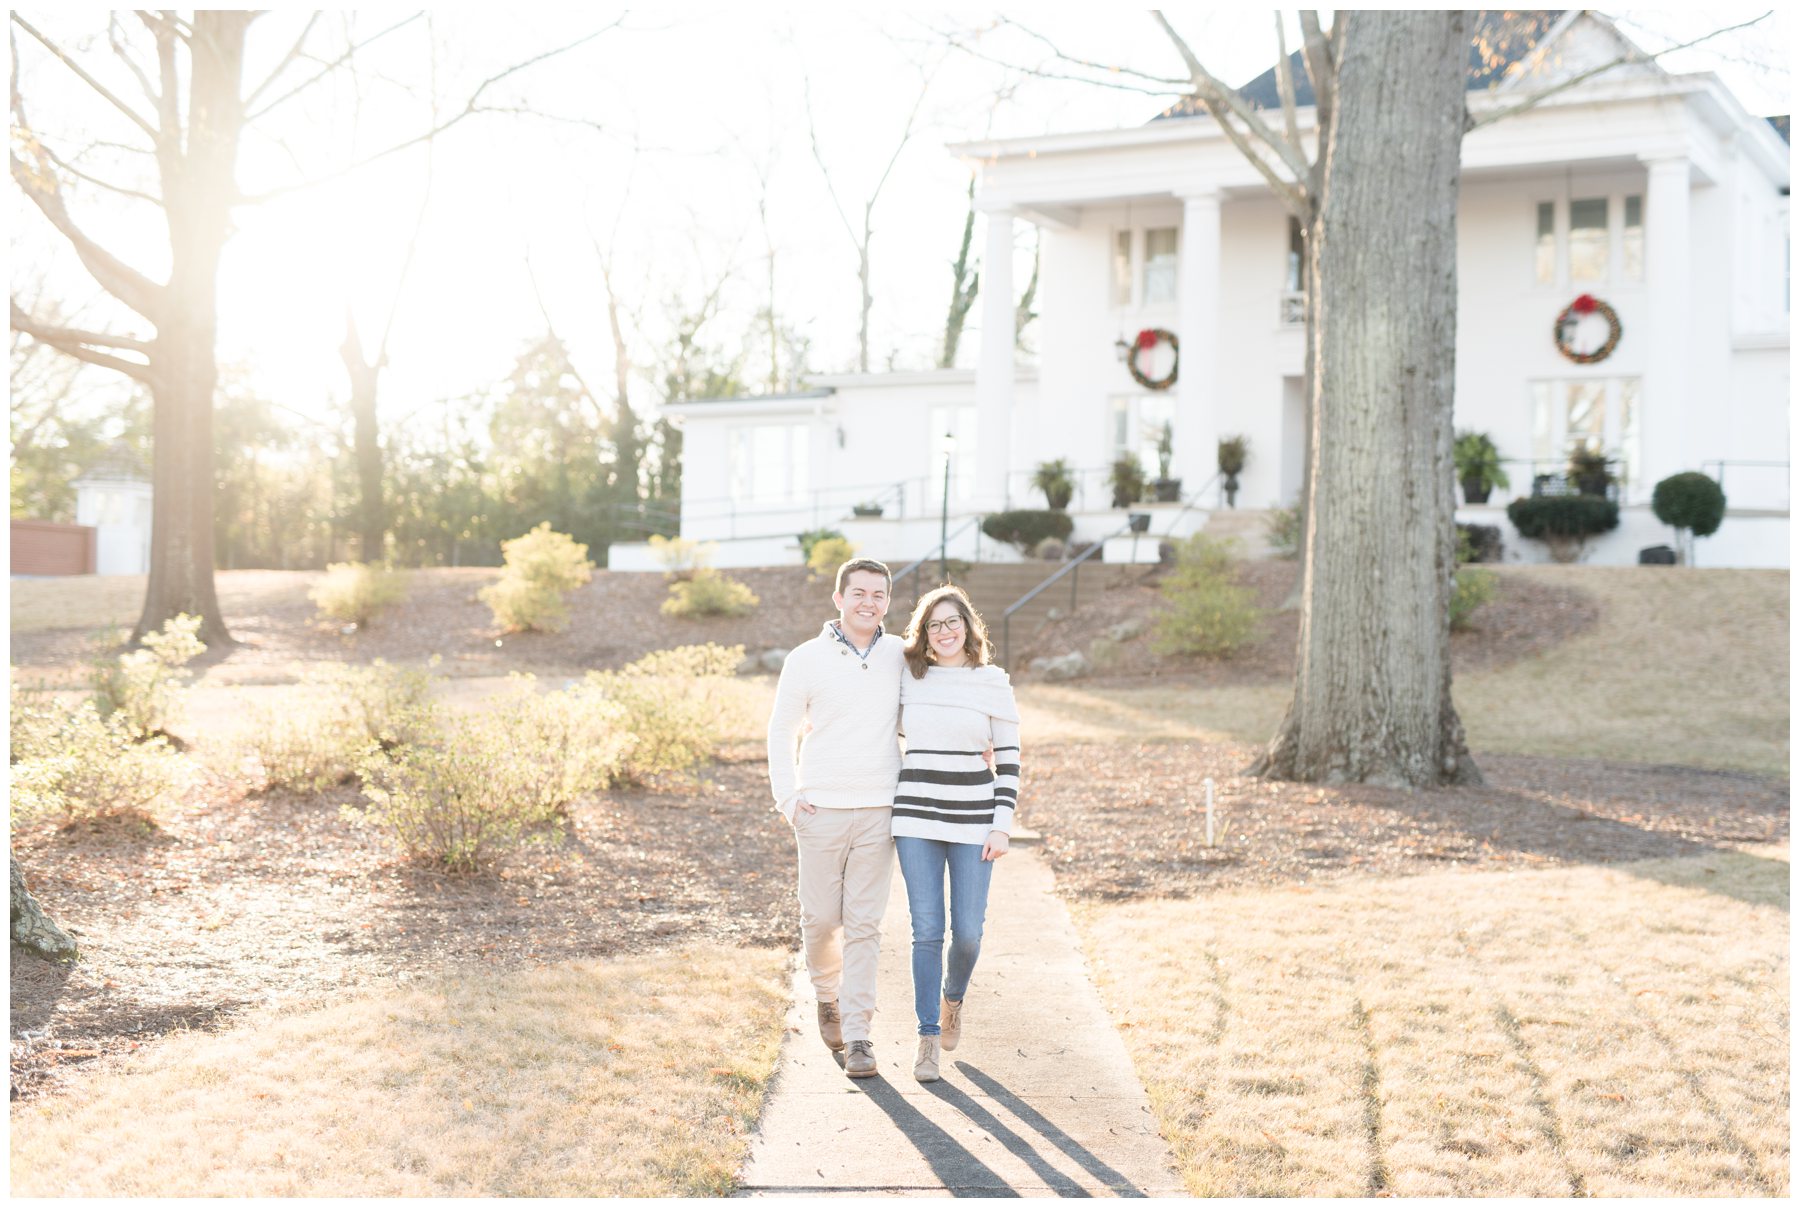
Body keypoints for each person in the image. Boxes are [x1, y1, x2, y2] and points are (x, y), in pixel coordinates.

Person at [766, 557, 904, 1079]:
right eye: (859, 593)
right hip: (820, 809)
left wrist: (979, 744)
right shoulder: (805, 659)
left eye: (879, 595)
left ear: (888, 602)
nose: (869, 602)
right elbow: (781, 731)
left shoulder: (899, 655)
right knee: (822, 918)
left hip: (880, 808)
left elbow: (929, 711)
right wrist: (787, 797)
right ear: (839, 598)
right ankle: (827, 995)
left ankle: (859, 1033)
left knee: (865, 925)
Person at [892, 584, 1020, 1083]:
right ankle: (927, 1038)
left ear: (969, 626)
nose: (944, 632)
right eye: (934, 624)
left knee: (966, 932)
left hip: (973, 817)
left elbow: (1008, 759)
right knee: (926, 930)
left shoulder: (992, 682)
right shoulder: (908, 678)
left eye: (952, 622)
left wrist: (1001, 825)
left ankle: (953, 999)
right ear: (923, 634)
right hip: (916, 817)